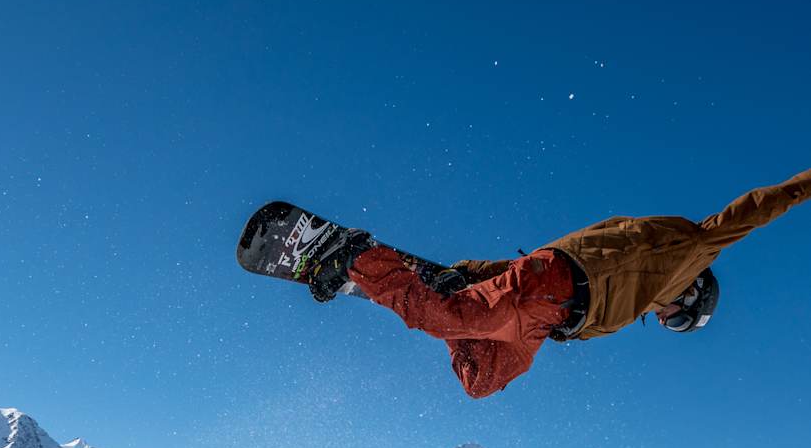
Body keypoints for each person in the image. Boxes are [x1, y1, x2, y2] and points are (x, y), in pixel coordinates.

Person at [304, 168, 811, 398]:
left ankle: (439, 294)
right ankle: (355, 256)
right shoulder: (690, 249)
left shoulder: (642, 301)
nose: (665, 322)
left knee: (481, 381)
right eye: (679, 322)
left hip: (548, 322)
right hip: (556, 284)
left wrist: (472, 275)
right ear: (694, 294)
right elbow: (760, 207)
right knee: (449, 318)